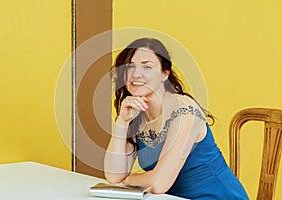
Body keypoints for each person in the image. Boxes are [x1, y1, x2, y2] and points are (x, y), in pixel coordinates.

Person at [104, 38, 249, 199]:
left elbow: (159, 184)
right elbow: (114, 176)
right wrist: (122, 123)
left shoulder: (185, 111)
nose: (136, 74)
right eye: (130, 66)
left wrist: (130, 179)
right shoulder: (136, 113)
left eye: (147, 66)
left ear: (164, 74)